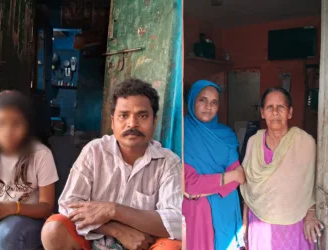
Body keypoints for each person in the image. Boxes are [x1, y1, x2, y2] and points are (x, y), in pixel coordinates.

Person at [41, 78, 182, 250]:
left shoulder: (168, 162)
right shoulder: (94, 152)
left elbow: (177, 222)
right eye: (124, 115)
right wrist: (117, 230)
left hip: (143, 244)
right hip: (94, 240)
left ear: (154, 121)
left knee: (174, 247)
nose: (132, 123)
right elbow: (68, 205)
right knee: (53, 229)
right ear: (112, 122)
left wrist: (114, 210)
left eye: (142, 115)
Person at [240, 87, 323, 250]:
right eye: (270, 107)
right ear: (262, 113)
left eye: (281, 107)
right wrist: (244, 222)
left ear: (290, 112)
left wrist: (311, 213)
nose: (275, 112)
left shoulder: (305, 143)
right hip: (259, 224)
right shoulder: (253, 142)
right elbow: (249, 189)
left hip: (295, 223)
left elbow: (314, 184)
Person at [0, 91, 59, 250]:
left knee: (6, 234)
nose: (8, 131)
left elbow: (46, 207)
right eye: (1, 123)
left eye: (16, 123)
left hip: (31, 221)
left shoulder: (41, 155)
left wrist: (13, 208)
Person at [183, 80, 245, 250]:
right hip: (197, 214)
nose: (208, 106)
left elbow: (238, 177)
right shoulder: (182, 134)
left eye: (214, 102)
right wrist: (226, 177)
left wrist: (202, 190)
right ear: (192, 101)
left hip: (226, 209)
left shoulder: (226, 135)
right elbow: (189, 184)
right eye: (202, 100)